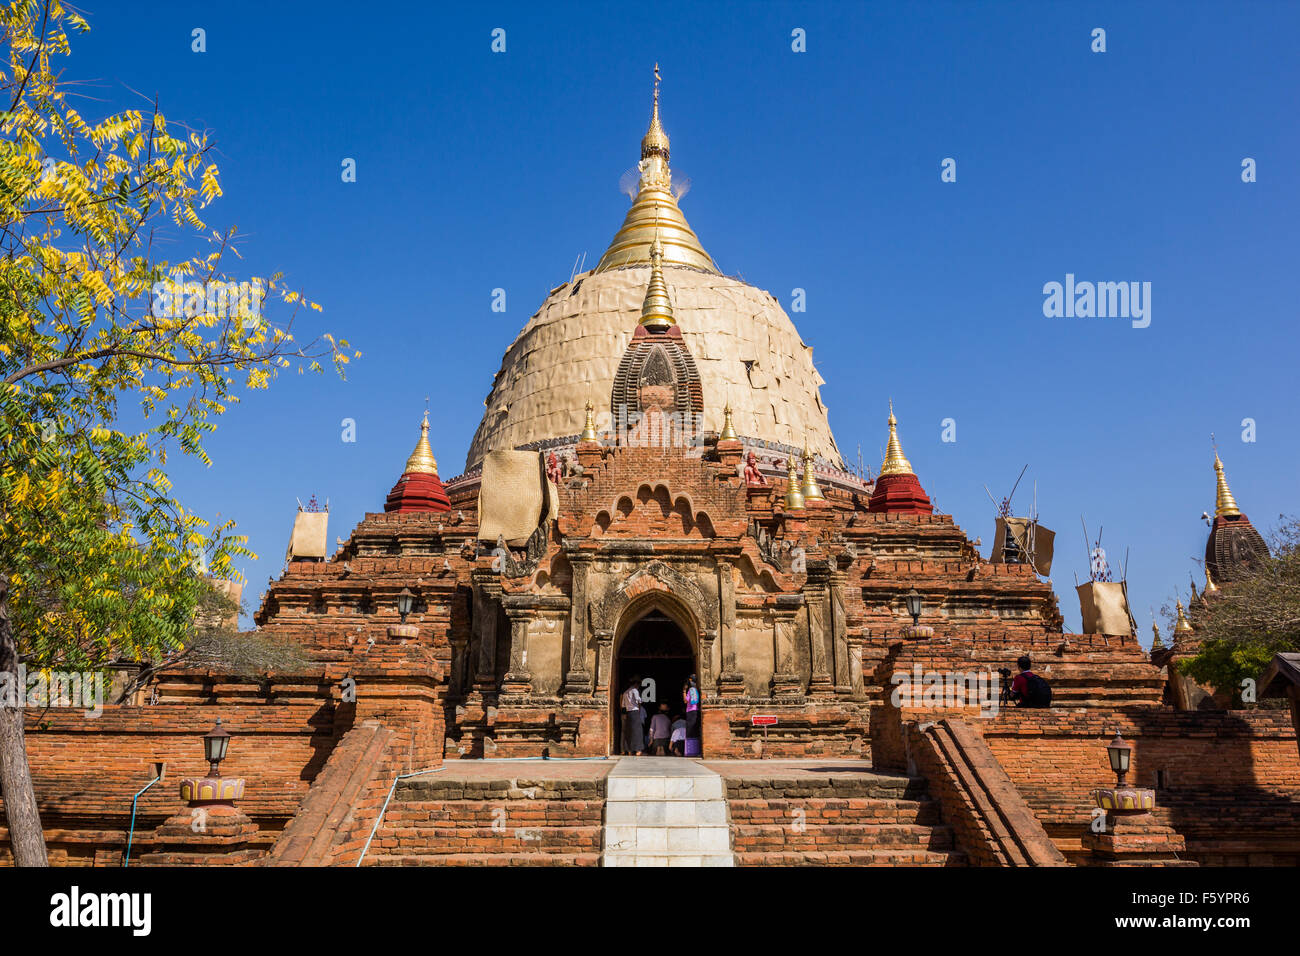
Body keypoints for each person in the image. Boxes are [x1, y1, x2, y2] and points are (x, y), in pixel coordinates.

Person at [620, 677, 644, 754]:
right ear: (636, 684)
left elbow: (623, 705)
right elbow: (638, 700)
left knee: (629, 731)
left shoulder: (625, 692)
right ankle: (638, 750)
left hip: (628, 712)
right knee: (637, 731)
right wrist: (641, 701)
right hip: (635, 711)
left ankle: (629, 750)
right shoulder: (634, 690)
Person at [683, 675, 701, 745]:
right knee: (695, 728)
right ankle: (696, 747)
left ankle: (691, 747)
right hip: (696, 710)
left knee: (690, 729)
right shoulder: (696, 689)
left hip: (690, 711)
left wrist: (684, 691)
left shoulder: (690, 690)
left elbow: (685, 701)